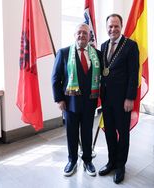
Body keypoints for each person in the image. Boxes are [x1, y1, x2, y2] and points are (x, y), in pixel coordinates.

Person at [51, 23, 101, 177]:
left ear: (89, 36)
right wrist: (59, 100)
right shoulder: (64, 53)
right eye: (79, 33)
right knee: (72, 134)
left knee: (87, 133)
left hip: (89, 103)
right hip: (70, 104)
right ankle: (72, 160)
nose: (81, 36)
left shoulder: (97, 55)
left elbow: (102, 79)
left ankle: (87, 160)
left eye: (85, 33)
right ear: (74, 35)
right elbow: (55, 78)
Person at [98, 14, 139, 184]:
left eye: (116, 26)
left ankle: (121, 165)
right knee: (109, 132)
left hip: (123, 100)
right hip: (106, 99)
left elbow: (133, 74)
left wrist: (130, 98)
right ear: (106, 28)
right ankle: (111, 161)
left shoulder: (130, 45)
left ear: (121, 27)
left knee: (122, 133)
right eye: (110, 26)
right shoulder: (103, 45)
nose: (112, 29)